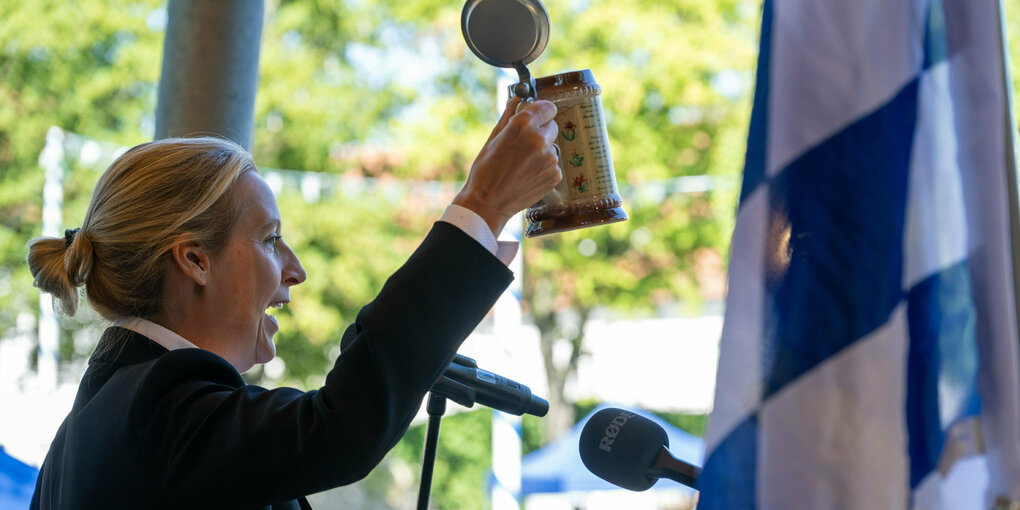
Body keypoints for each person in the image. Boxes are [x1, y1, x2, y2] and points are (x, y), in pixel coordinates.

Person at [26, 96, 560, 510]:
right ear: (194, 260)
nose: (296, 270)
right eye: (269, 239)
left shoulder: (84, 433)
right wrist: (482, 207)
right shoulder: (157, 408)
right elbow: (339, 427)